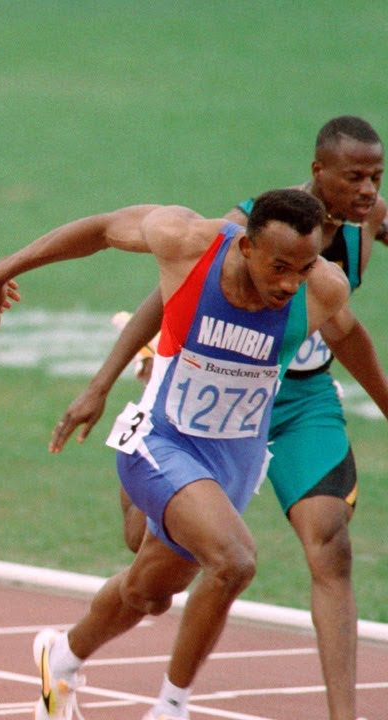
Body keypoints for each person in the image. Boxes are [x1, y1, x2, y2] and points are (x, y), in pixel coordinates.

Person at [49, 117, 388, 720]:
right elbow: (177, 286)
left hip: (297, 402)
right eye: (355, 177)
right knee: (152, 584)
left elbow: (350, 334)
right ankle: (81, 657)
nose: (367, 191)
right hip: (197, 395)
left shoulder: (366, 227)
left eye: (375, 178)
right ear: (319, 172)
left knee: (328, 548)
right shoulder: (251, 223)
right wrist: (119, 371)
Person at [0, 189, 357, 720]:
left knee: (148, 593)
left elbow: (352, 338)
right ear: (246, 246)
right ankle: (171, 707)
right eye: (279, 267)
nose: (290, 283)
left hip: (235, 461)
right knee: (233, 562)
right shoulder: (186, 241)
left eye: (305, 265)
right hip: (162, 442)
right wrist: (4, 269)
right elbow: (103, 227)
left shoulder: (324, 290)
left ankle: (59, 658)